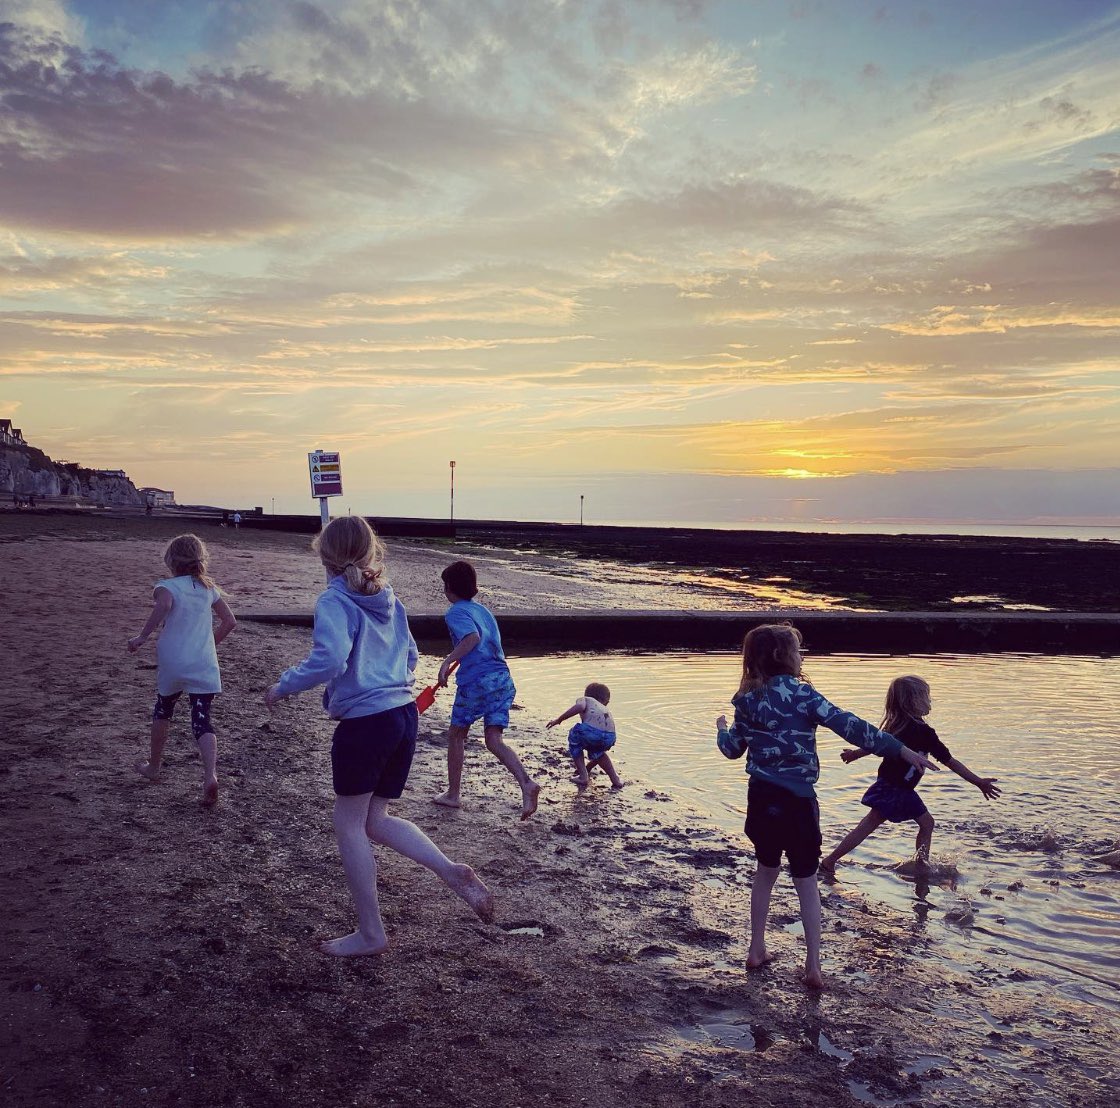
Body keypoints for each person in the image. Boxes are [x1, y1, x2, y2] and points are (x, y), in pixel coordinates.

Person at [265, 518, 493, 957]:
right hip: (403, 716)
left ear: (325, 557)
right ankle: (450, 870)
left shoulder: (335, 600)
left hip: (367, 724)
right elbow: (411, 655)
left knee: (349, 824)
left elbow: (329, 660)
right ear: (372, 554)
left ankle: (371, 932)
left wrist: (283, 685)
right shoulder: (389, 598)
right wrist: (388, 682)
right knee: (376, 819)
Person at [715, 623, 937, 989]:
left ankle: (757, 948)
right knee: (805, 882)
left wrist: (721, 727)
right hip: (799, 802)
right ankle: (813, 966)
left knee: (765, 873)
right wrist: (902, 749)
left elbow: (731, 750)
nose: (802, 657)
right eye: (798, 651)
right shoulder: (804, 696)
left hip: (761, 799)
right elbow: (851, 726)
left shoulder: (745, 701)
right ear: (780, 656)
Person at [819, 675, 1000, 875]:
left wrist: (856, 754)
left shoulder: (904, 727)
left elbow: (880, 742)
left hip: (895, 787)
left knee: (889, 823)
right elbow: (950, 761)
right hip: (895, 788)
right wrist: (978, 782)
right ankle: (920, 867)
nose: (930, 701)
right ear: (913, 701)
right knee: (912, 823)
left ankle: (832, 860)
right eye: (926, 696)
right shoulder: (915, 730)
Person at [129, 534, 237, 806]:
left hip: (174, 661)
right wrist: (209, 645)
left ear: (171, 561)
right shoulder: (208, 588)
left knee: (163, 708)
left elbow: (163, 605)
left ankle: (154, 766)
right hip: (203, 662)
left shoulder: (167, 587)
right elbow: (229, 621)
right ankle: (210, 774)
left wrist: (142, 637)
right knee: (202, 719)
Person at [431, 560, 540, 820]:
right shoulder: (484, 611)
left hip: (477, 682)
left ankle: (453, 795)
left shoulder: (455, 612)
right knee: (493, 739)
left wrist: (447, 660)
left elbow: (472, 639)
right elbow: (482, 644)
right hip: (503, 679)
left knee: (457, 735)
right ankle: (526, 783)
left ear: (449, 587)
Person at [546, 682, 623, 790]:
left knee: (575, 738)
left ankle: (583, 776)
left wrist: (559, 719)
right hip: (610, 737)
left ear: (587, 694)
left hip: (592, 733)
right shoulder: (605, 709)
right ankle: (615, 780)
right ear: (606, 700)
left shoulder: (586, 699)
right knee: (599, 753)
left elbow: (580, 706)